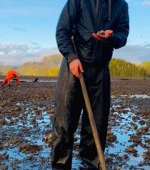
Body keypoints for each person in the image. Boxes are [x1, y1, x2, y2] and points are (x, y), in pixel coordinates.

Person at [51, 0, 129, 169]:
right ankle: (60, 166)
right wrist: (71, 57)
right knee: (64, 123)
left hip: (101, 69)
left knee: (97, 126)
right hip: (75, 66)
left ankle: (89, 166)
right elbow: (62, 30)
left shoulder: (121, 5)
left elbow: (123, 35)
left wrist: (112, 37)